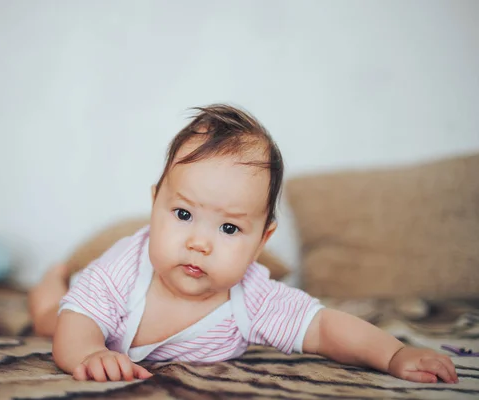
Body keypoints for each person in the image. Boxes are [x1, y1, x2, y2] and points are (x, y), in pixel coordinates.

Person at [29, 104, 458, 384]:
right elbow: (78, 326)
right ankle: (49, 285)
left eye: (229, 229)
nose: (199, 243)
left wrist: (395, 354)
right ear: (155, 203)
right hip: (85, 314)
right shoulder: (125, 265)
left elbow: (325, 327)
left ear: (261, 241)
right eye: (183, 215)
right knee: (54, 317)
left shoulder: (251, 298)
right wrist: (89, 351)